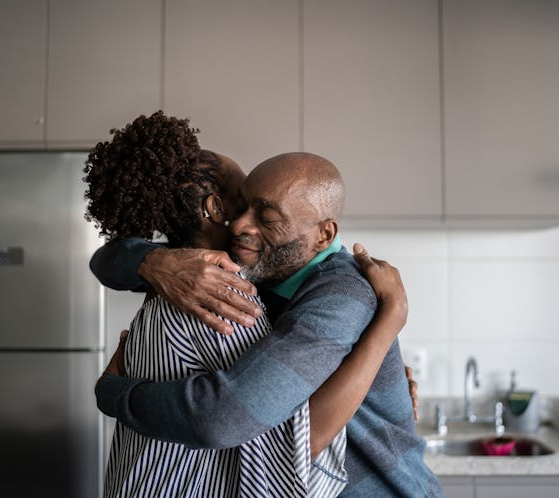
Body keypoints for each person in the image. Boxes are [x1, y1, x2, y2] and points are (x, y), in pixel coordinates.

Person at [85, 112, 410, 497]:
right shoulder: (197, 279)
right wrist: (151, 261)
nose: (242, 224)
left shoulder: (341, 292)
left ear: (324, 234)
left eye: (263, 215)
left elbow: (244, 423)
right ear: (214, 209)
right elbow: (105, 260)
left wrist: (113, 393)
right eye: (241, 205)